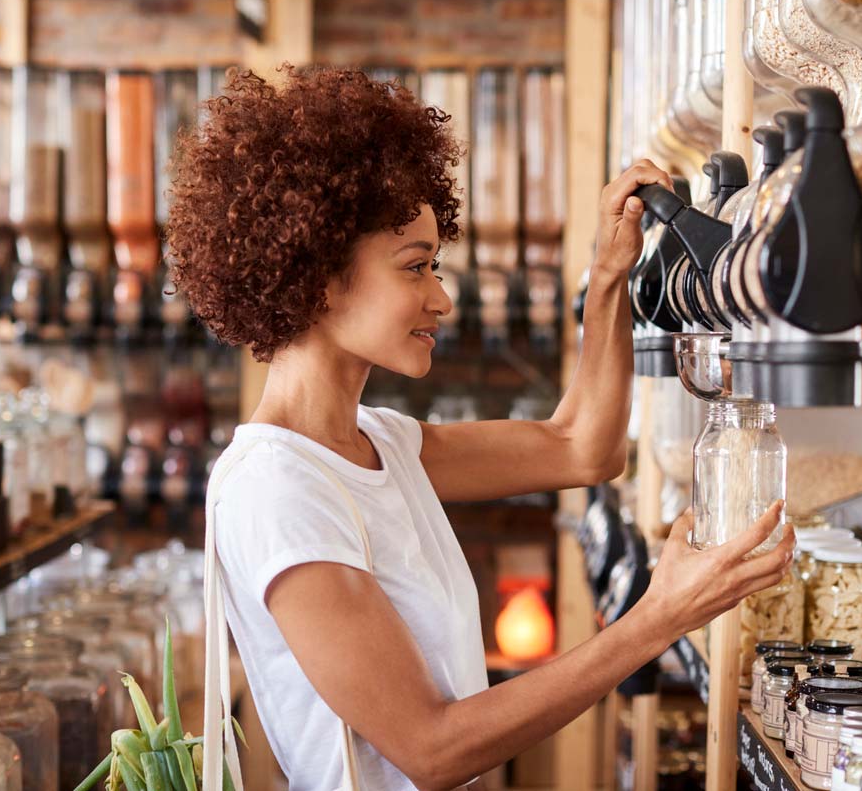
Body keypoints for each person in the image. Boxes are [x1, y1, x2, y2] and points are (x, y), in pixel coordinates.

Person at [166, 65, 794, 791]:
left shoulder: (380, 445)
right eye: (416, 268)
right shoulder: (279, 491)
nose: (441, 298)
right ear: (318, 277)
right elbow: (430, 749)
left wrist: (610, 273)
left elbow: (580, 448)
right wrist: (659, 618)